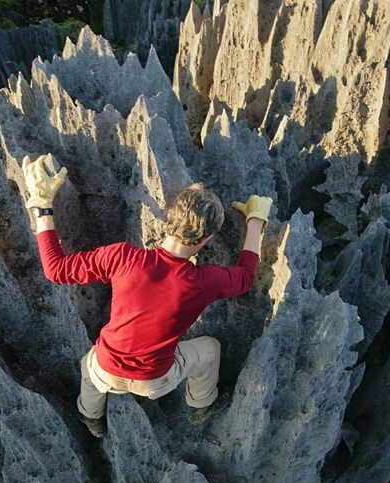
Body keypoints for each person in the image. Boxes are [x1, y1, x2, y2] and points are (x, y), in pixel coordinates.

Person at [22, 153, 272, 437]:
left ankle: (91, 417)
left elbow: (56, 270)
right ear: (206, 239)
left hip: (106, 370)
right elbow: (245, 277)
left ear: (169, 220)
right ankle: (200, 405)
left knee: (89, 371)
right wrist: (255, 219)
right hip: (156, 380)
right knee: (210, 349)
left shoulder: (122, 257)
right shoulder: (203, 281)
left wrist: (42, 205)